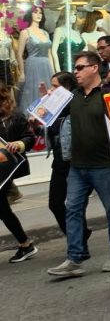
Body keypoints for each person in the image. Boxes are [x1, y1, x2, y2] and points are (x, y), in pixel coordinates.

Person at [48, 51, 110, 277]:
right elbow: (50, 120)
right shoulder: (73, 96)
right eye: (75, 68)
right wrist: (45, 103)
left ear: (94, 68)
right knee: (72, 210)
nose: (76, 72)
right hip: (78, 166)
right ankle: (75, 258)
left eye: (80, 67)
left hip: (104, 165)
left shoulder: (107, 95)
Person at [44, 71, 92, 244]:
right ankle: (79, 235)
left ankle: (77, 242)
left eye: (55, 86)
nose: (52, 90)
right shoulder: (52, 107)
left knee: (75, 205)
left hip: (75, 161)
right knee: (55, 203)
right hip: (59, 160)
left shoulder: (76, 104)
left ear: (67, 88)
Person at [0, 84, 38, 263]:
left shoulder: (14, 116)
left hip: (7, 167)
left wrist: (18, 145)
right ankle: (25, 244)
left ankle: (26, 244)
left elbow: (29, 138)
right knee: (2, 209)